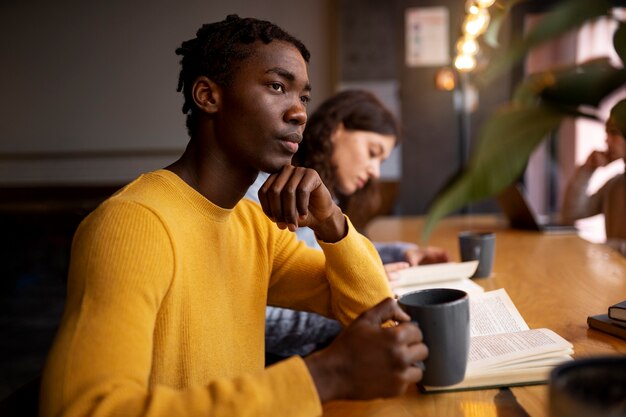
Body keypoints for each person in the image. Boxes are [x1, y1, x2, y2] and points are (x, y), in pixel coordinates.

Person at [39, 15, 428, 417]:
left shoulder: (253, 225)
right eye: (277, 87)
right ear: (208, 96)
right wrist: (323, 377)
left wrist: (332, 223)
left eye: (304, 98)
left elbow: (373, 316)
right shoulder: (133, 223)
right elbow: (83, 409)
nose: (299, 113)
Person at [245, 90, 449, 361]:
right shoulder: (264, 195)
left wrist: (399, 254)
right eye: (372, 152)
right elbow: (257, 320)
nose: (375, 171)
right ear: (336, 129)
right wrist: (357, 304)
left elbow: (321, 253)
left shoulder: (322, 195)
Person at [562, 110, 626, 256]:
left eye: (614, 133)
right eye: (606, 133)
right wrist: (587, 170)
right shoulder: (615, 184)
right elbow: (571, 213)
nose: (607, 140)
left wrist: (606, 247)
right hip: (615, 275)